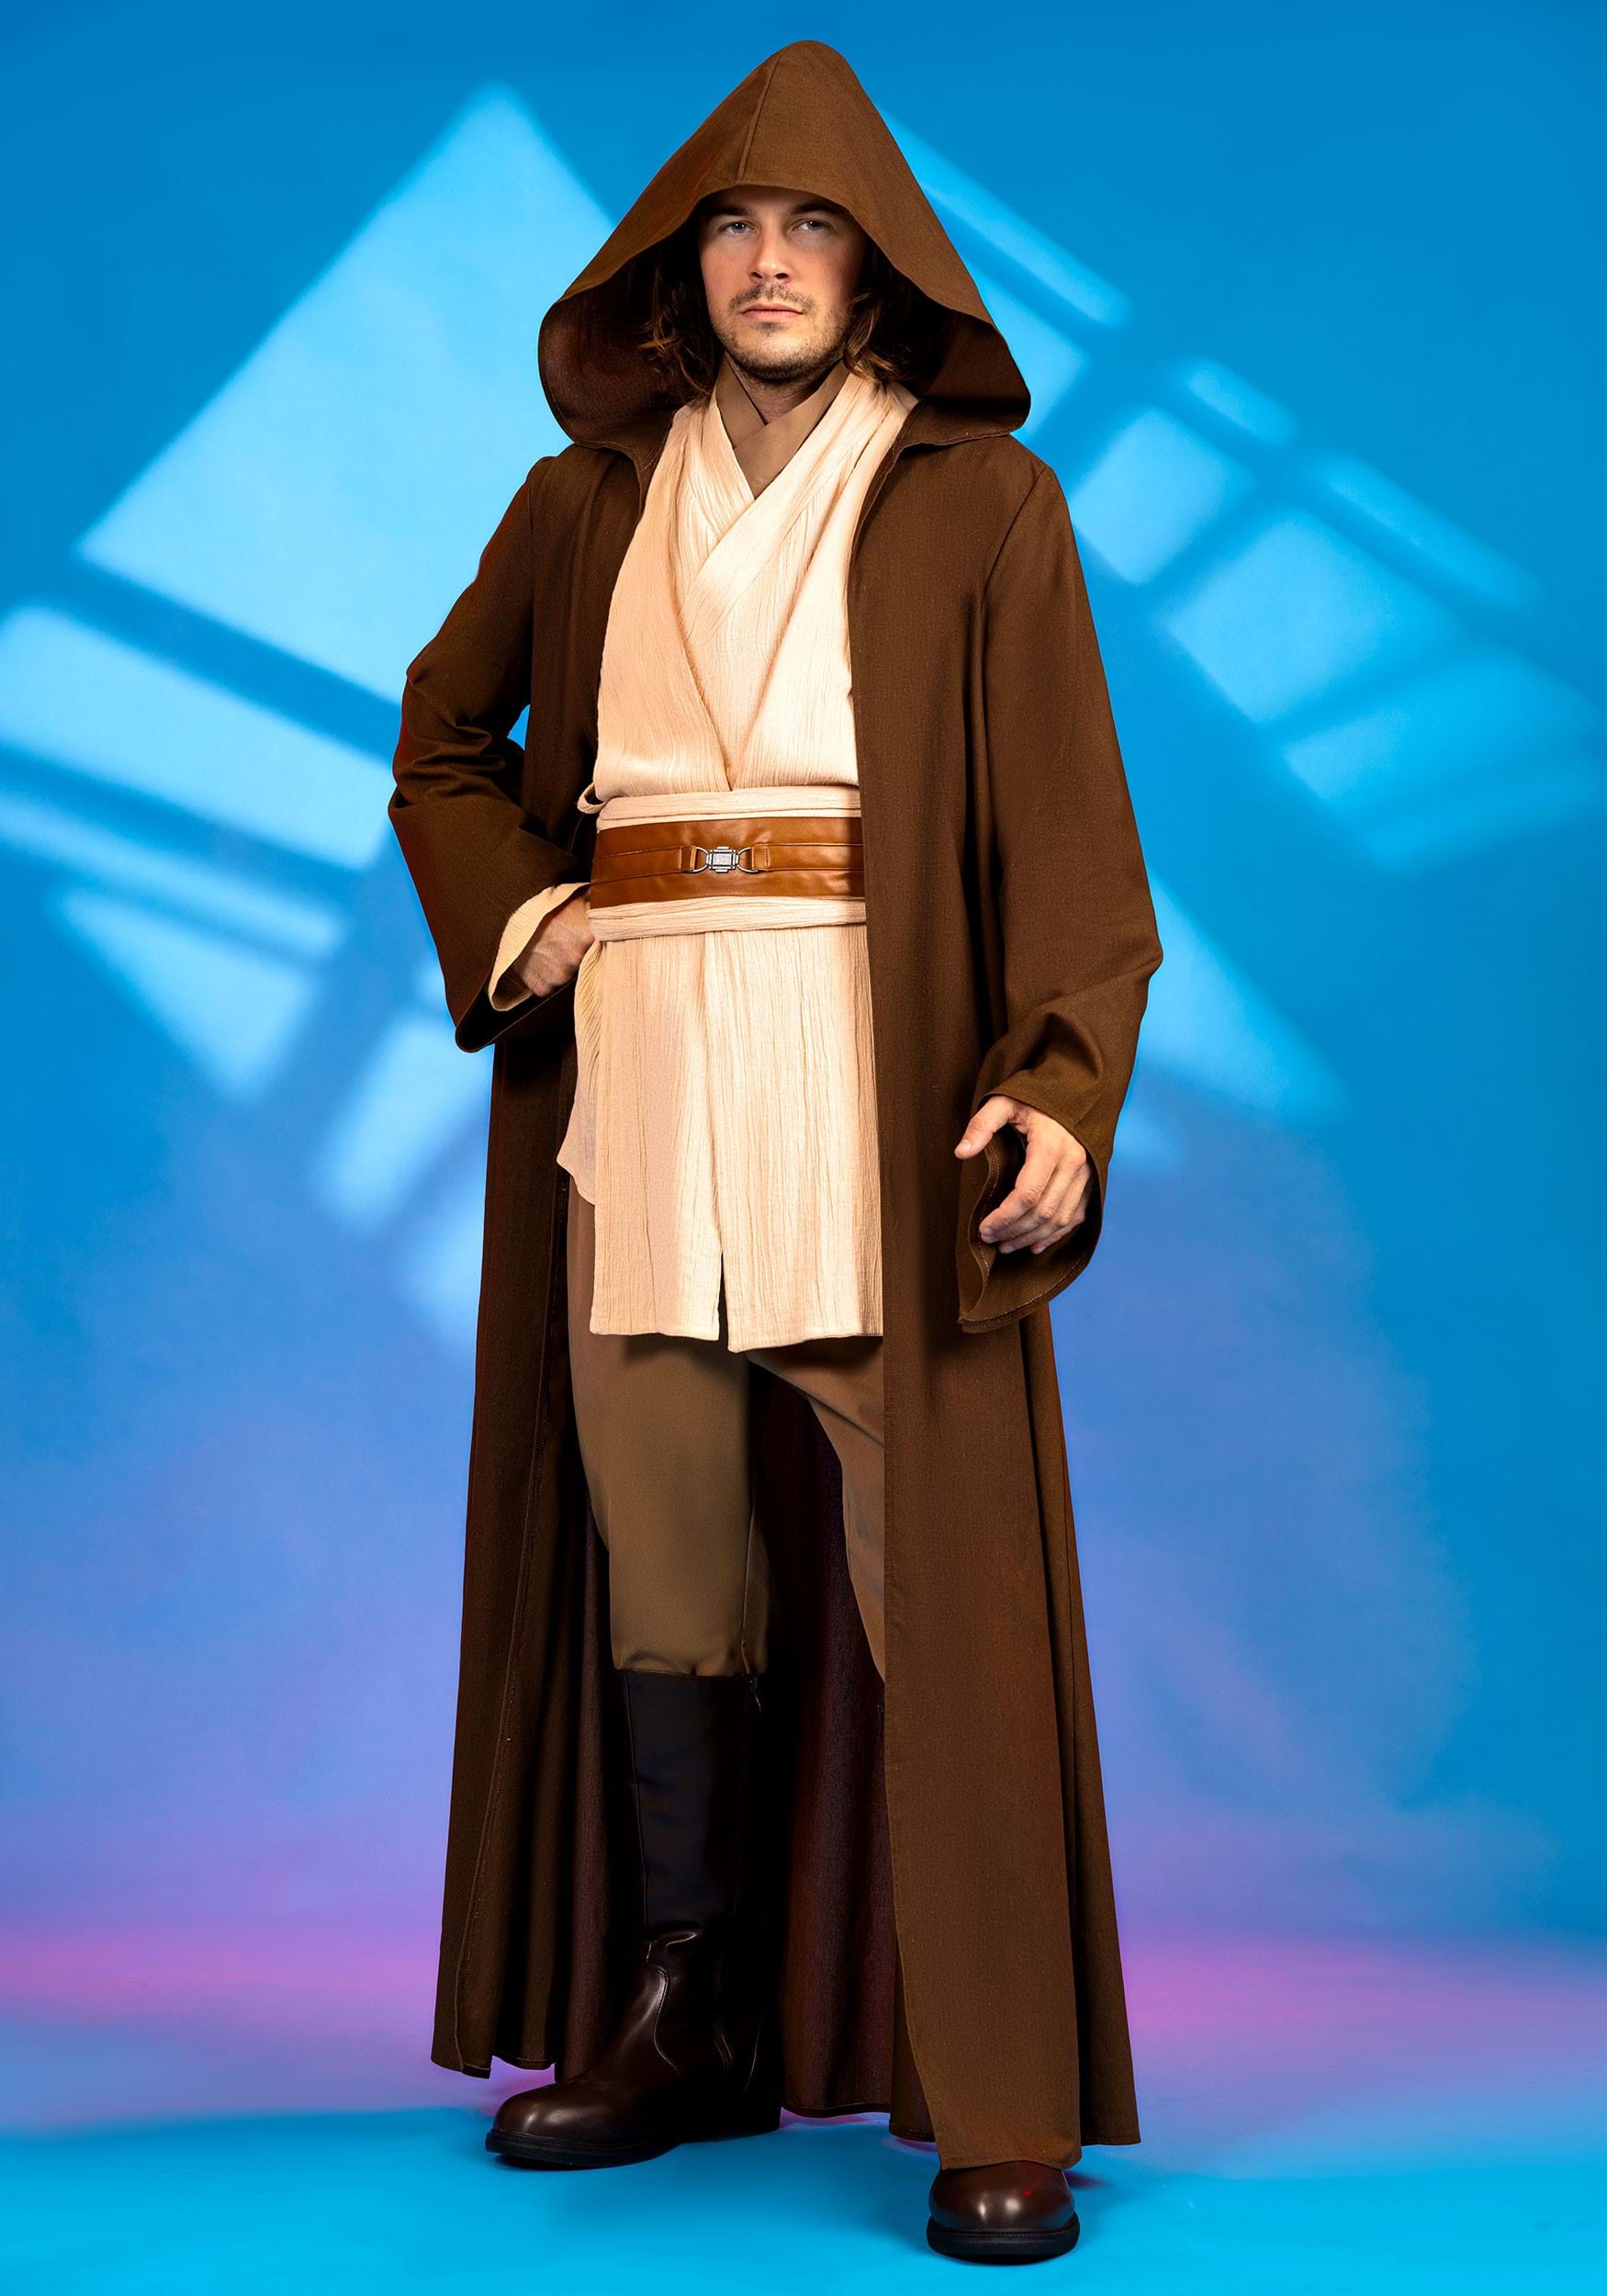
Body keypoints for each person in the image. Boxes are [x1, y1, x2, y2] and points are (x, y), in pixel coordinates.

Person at [389, 39, 1163, 2267]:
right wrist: (527, 915)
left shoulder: (976, 503)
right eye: (731, 225)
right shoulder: (581, 503)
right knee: (663, 1564)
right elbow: (444, 747)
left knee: (940, 1583)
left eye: (811, 224)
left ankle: (996, 2082)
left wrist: (1058, 1080)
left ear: (877, 266)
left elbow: (1074, 844)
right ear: (674, 269)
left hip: (863, 1071)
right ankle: (681, 2015)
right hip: (635, 1072)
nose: (766, 261)